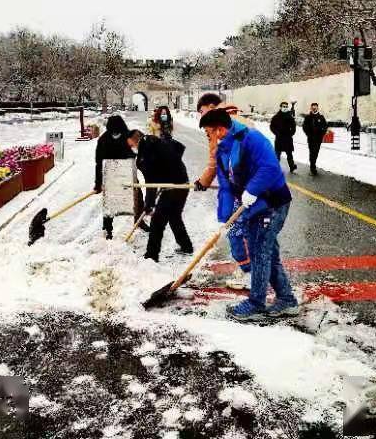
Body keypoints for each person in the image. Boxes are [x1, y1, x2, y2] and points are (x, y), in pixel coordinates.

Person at [199, 108, 299, 322]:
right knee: (266, 251)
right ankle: (286, 299)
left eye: (209, 133)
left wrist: (251, 190)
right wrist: (225, 218)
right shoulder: (222, 150)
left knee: (260, 251)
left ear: (220, 130)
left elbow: (271, 167)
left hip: (272, 202)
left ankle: (256, 303)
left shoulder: (251, 138)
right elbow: (226, 186)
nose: (208, 137)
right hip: (253, 206)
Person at [194, 93, 252, 289]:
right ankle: (248, 269)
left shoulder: (225, 125)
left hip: (240, 188)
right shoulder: (235, 118)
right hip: (240, 186)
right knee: (243, 231)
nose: (201, 117)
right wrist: (204, 181)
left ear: (211, 106)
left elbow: (219, 160)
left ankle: (249, 273)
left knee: (236, 231)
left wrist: (204, 181)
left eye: (202, 111)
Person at [127, 129, 193, 262]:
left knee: (157, 220)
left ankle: (151, 256)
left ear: (135, 140)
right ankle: (186, 247)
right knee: (174, 216)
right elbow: (179, 148)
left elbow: (151, 180)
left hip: (172, 187)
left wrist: (149, 204)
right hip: (182, 182)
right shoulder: (158, 140)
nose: (132, 148)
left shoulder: (145, 151)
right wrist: (169, 170)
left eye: (131, 145)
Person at [94, 115, 148, 240]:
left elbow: (139, 150)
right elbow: (99, 162)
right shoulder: (103, 139)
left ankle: (139, 221)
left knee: (138, 198)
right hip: (111, 174)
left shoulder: (128, 136)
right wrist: (98, 183)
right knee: (109, 202)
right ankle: (107, 229)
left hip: (128, 172)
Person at [269, 102, 297, 173]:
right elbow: (272, 126)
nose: (285, 108)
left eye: (286, 106)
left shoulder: (290, 116)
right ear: (280, 107)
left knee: (289, 154)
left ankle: (292, 166)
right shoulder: (276, 117)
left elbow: (293, 126)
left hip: (288, 138)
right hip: (279, 138)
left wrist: (291, 133)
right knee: (277, 154)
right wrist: (276, 133)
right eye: (283, 106)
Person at [302, 102, 328, 176]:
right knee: (312, 153)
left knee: (315, 153)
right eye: (313, 107)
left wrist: (321, 134)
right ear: (311, 108)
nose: (314, 108)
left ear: (317, 108)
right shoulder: (308, 117)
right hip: (310, 139)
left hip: (318, 139)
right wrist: (308, 134)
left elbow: (325, 127)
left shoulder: (321, 117)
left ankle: (313, 164)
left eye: (315, 107)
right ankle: (312, 167)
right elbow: (304, 127)